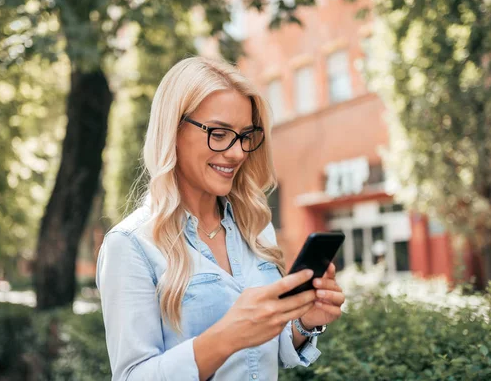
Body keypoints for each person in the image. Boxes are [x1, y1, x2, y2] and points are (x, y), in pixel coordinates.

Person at [96, 56, 345, 381]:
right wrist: (227, 336)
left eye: (245, 135)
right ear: (173, 130)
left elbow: (266, 352)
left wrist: (304, 322)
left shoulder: (255, 228)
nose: (238, 152)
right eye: (219, 132)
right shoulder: (130, 245)